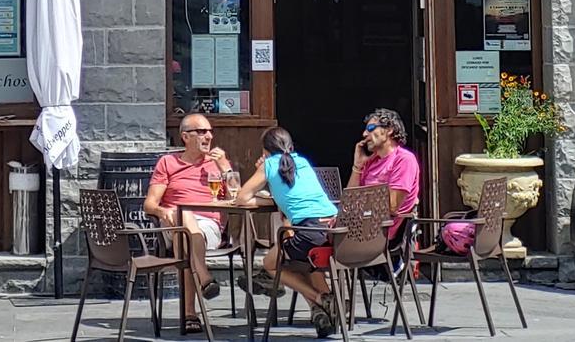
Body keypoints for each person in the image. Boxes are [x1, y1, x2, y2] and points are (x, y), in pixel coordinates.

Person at [235, 127, 339, 339]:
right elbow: (294, 195)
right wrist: (274, 195)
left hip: (308, 232)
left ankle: (321, 299)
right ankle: (323, 315)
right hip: (335, 230)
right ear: (291, 147)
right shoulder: (302, 162)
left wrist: (264, 176)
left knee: (271, 263)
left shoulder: (268, 165)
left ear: (265, 151)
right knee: (303, 263)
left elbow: (242, 197)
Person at [143, 113, 231, 333]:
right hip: (174, 223)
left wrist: (225, 167)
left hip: (208, 226)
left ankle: (190, 313)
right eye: (201, 131)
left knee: (185, 240)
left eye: (210, 131)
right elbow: (150, 205)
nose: (208, 136)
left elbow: (237, 197)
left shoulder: (217, 164)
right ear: (185, 136)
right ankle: (203, 276)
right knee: (184, 214)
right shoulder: (168, 162)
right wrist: (164, 212)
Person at [348, 108, 420, 250]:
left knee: (314, 240)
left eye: (370, 128)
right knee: (316, 235)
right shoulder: (370, 162)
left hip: (382, 233)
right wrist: (357, 166)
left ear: (389, 131)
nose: (364, 134)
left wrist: (359, 205)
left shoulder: (404, 160)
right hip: (361, 227)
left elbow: (392, 206)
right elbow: (350, 200)